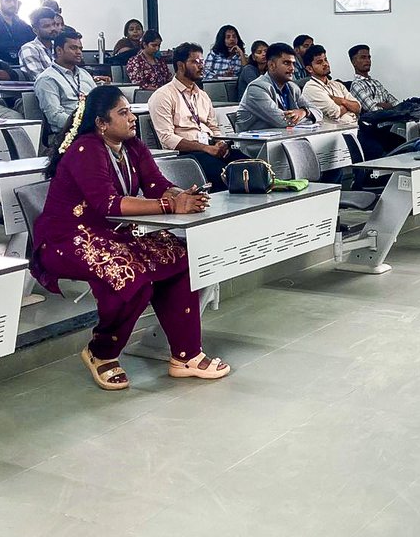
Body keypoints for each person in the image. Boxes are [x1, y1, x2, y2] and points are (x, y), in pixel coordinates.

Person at [32, 85, 229, 390]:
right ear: (102, 122)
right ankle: (102, 353)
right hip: (67, 238)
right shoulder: (86, 149)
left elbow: (156, 184)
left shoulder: (132, 145)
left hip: (111, 232)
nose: (132, 118)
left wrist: (184, 196)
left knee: (180, 258)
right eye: (122, 113)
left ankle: (186, 355)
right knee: (131, 275)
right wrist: (169, 205)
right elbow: (107, 204)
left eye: (130, 111)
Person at [149, 42, 247, 189]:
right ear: (181, 65)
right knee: (225, 176)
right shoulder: (163, 96)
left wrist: (220, 143)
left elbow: (213, 127)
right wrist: (204, 148)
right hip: (186, 154)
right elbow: (167, 139)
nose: (201, 66)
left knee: (251, 166)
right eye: (195, 62)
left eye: (202, 62)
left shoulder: (202, 96)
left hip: (210, 148)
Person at [301, 44, 400, 159]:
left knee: (400, 143)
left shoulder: (337, 85)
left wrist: (341, 101)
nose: (325, 64)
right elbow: (336, 112)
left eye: (326, 60)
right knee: (379, 152)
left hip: (357, 129)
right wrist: (347, 105)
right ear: (309, 69)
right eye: (319, 62)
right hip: (338, 136)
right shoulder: (311, 88)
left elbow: (358, 107)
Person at [236, 41, 320, 132]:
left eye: (293, 64)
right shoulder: (257, 88)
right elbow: (282, 122)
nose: (292, 68)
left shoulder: (292, 87)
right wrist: (309, 117)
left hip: (283, 139)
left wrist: (304, 112)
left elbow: (318, 113)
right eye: (287, 63)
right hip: (256, 144)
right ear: (272, 65)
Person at [34, 28, 96, 134]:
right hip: (67, 134)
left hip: (95, 128)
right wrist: (84, 124)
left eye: (80, 49)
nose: (79, 52)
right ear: (59, 50)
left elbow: (100, 101)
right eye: (73, 48)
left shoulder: (84, 74)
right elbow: (55, 116)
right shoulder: (47, 79)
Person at [348, 44, 398, 112]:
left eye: (369, 57)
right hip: (376, 121)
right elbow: (374, 110)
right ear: (354, 62)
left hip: (392, 118)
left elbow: (397, 103)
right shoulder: (356, 85)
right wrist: (388, 105)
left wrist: (382, 105)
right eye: (363, 57)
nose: (368, 60)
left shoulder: (376, 83)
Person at [19, 6, 61, 80]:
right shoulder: (29, 49)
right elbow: (41, 79)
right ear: (35, 30)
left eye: (54, 24)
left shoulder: (59, 46)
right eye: (46, 26)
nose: (53, 28)